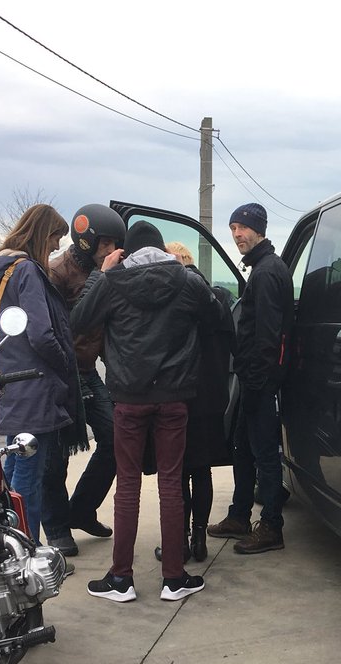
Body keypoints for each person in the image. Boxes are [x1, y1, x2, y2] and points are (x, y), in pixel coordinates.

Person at [71, 221, 223, 603]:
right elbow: (216, 315)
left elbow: (78, 321)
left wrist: (101, 275)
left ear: (127, 251)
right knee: (171, 484)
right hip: (174, 398)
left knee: (128, 485)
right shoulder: (186, 280)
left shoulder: (112, 281)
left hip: (129, 399)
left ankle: (121, 579)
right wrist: (186, 271)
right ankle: (174, 578)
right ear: (162, 250)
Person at [0, 204, 80, 549]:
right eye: (55, 238)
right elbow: (41, 334)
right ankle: (27, 552)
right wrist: (66, 362)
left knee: (11, 474)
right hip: (36, 383)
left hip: (10, 381)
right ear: (41, 233)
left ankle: (3, 547)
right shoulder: (27, 272)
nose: (56, 247)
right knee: (29, 479)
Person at [207, 202, 294, 554]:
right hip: (251, 380)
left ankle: (271, 525)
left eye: (242, 228)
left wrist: (259, 383)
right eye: (233, 229)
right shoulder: (260, 268)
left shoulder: (268, 272)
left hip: (260, 382)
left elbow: (269, 337)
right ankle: (239, 516)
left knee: (263, 455)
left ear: (259, 230)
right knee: (242, 450)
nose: (237, 235)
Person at [42, 203, 128, 557]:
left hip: (89, 371)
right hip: (62, 374)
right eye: (106, 244)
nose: (111, 252)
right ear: (87, 240)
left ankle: (81, 509)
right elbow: (69, 323)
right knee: (57, 455)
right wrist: (102, 277)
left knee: (117, 440)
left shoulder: (104, 269)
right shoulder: (58, 272)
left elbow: (106, 322)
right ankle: (58, 527)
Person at [154, 241, 237, 563]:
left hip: (180, 397)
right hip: (213, 400)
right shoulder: (219, 298)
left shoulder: (173, 298)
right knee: (203, 471)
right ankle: (200, 536)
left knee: (177, 473)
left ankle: (180, 539)